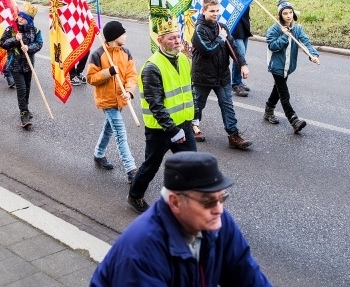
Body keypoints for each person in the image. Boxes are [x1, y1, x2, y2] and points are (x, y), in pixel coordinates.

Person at [92, 151, 272, 287]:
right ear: (175, 202)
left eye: (222, 198)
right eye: (208, 201)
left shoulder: (219, 222)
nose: (219, 209)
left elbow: (246, 274)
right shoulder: (141, 252)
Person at [127, 17, 196, 214]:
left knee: (192, 164)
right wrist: (172, 130)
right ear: (160, 41)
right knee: (151, 166)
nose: (177, 41)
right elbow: (155, 104)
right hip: (161, 130)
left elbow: (187, 91)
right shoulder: (151, 68)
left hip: (183, 124)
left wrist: (193, 118)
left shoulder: (183, 59)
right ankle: (135, 196)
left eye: (178, 37)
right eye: (171, 38)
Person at [190, 0, 252, 150]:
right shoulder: (198, 30)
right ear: (203, 11)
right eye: (212, 11)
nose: (215, 14)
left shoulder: (222, 26)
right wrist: (220, 37)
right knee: (198, 104)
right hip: (203, 76)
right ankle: (192, 126)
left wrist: (242, 64)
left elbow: (233, 48)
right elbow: (208, 50)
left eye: (217, 11)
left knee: (227, 105)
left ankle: (233, 136)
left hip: (222, 75)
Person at [86, 21, 138, 183]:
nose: (126, 36)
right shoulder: (97, 55)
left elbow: (132, 75)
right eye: (123, 33)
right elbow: (91, 78)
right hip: (107, 101)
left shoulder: (126, 52)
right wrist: (108, 72)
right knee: (120, 133)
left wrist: (129, 91)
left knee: (108, 128)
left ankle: (99, 154)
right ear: (115, 37)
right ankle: (131, 169)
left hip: (121, 99)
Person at [263, 0, 320, 131]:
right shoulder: (274, 29)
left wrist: (313, 55)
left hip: (288, 67)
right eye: (285, 13)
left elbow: (306, 43)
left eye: (290, 12)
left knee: (277, 90)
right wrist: (284, 36)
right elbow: (272, 46)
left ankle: (268, 111)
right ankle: (293, 120)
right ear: (280, 15)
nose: (288, 16)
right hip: (277, 67)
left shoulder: (297, 29)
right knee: (284, 94)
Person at [0, 2, 43, 129]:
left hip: (29, 65)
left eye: (23, 17)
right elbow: (2, 43)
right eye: (19, 16)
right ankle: (23, 114)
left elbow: (39, 44)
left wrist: (29, 47)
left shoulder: (35, 31)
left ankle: (26, 108)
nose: (20, 18)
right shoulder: (11, 29)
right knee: (22, 88)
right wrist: (15, 40)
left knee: (27, 88)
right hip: (15, 65)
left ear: (29, 20)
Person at [228, 0, 252, 97]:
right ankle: (235, 83)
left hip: (245, 23)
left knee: (242, 54)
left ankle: (237, 81)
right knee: (240, 54)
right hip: (234, 25)